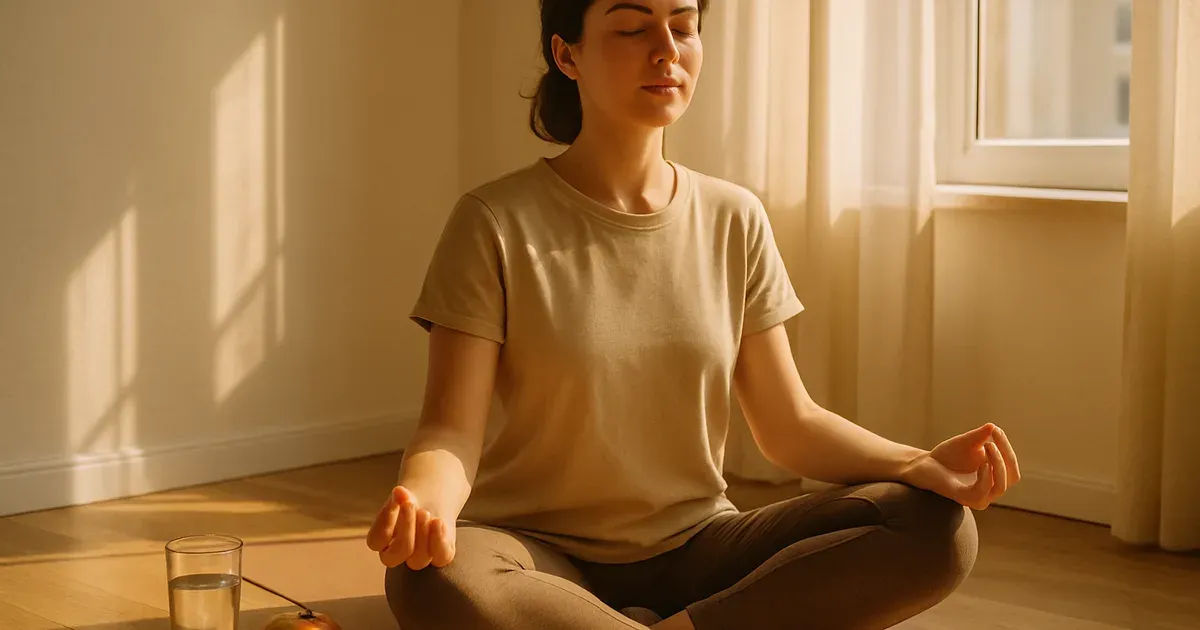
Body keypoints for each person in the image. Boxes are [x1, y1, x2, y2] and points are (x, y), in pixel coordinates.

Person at [367, 1, 1021, 628]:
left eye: (684, 26)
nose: (666, 51)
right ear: (568, 55)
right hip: (534, 553)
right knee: (430, 579)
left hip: (700, 546)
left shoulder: (735, 218)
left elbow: (789, 424)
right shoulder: (493, 223)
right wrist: (426, 502)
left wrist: (915, 464)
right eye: (631, 29)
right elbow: (449, 431)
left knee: (935, 528)